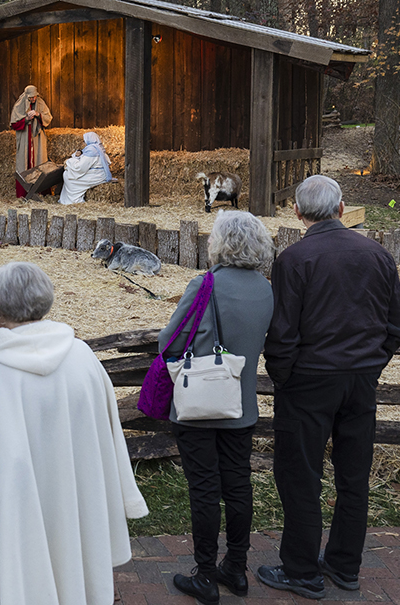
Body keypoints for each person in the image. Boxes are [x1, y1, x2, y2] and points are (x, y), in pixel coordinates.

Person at [0, 262, 148, 605]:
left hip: (21, 510)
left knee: (23, 583)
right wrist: (122, 493)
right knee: (79, 578)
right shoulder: (83, 358)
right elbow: (110, 432)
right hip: (80, 501)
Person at [258, 175, 400, 599]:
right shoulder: (378, 254)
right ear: (342, 209)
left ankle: (302, 570)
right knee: (353, 476)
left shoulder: (293, 259)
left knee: (300, 475)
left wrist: (285, 377)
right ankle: (345, 566)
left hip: (309, 381)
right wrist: (371, 366)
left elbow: (283, 334)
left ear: (298, 213)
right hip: (359, 382)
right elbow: (399, 325)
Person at [158, 211, 275, 605]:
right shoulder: (266, 289)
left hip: (199, 405)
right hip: (241, 406)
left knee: (205, 489)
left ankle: (205, 575)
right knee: (238, 485)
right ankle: (236, 569)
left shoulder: (204, 284)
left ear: (219, 243)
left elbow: (169, 343)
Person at [10, 85, 52, 198]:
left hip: (38, 139)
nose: (33, 99)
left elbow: (48, 118)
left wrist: (38, 114)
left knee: (40, 161)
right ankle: (24, 194)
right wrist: (26, 119)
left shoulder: (41, 103)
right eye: (31, 98)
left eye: (34, 97)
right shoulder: (19, 105)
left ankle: (41, 193)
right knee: (24, 164)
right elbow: (14, 124)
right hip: (25, 139)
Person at [59, 131, 113, 205]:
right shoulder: (99, 148)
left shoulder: (92, 150)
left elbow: (80, 167)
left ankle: (74, 201)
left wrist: (69, 162)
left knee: (68, 175)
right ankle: (67, 200)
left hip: (96, 176)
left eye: (84, 141)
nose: (83, 143)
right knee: (68, 173)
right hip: (99, 174)